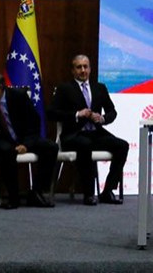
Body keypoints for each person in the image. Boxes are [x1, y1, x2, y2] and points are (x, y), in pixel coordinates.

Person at [48, 54, 128, 206]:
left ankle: (108, 191)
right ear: (73, 70)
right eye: (79, 67)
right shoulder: (64, 88)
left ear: (90, 69)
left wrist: (103, 118)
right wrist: (77, 114)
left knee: (122, 146)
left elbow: (112, 112)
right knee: (85, 144)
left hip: (95, 133)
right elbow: (51, 113)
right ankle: (89, 193)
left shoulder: (100, 88)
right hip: (73, 135)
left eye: (86, 67)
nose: (83, 70)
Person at [0, 70, 57, 209]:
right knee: (5, 150)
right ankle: (13, 196)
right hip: (1, 140)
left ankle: (37, 191)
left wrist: (26, 145)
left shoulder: (19, 96)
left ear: (0, 87)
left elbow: (34, 123)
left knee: (51, 147)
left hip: (25, 138)